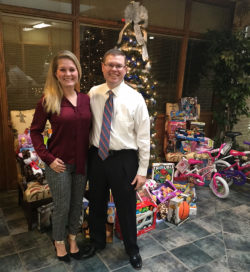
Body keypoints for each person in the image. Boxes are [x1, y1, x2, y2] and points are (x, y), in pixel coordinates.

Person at [84, 48, 150, 270]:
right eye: (110, 64)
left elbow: (143, 138)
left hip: (124, 160)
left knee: (126, 207)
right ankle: (97, 241)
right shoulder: (93, 93)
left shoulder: (136, 99)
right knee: (96, 203)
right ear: (103, 66)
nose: (114, 69)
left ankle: (132, 249)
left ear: (125, 69)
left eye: (119, 65)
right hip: (97, 157)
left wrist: (142, 170)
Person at [30, 50, 91, 262]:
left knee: (77, 204)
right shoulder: (48, 100)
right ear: (56, 73)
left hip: (82, 162)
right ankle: (59, 242)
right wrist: (47, 157)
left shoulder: (86, 100)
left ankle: (73, 239)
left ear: (78, 72)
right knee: (62, 206)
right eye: (63, 69)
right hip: (59, 164)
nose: (68, 74)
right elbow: (35, 131)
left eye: (72, 69)